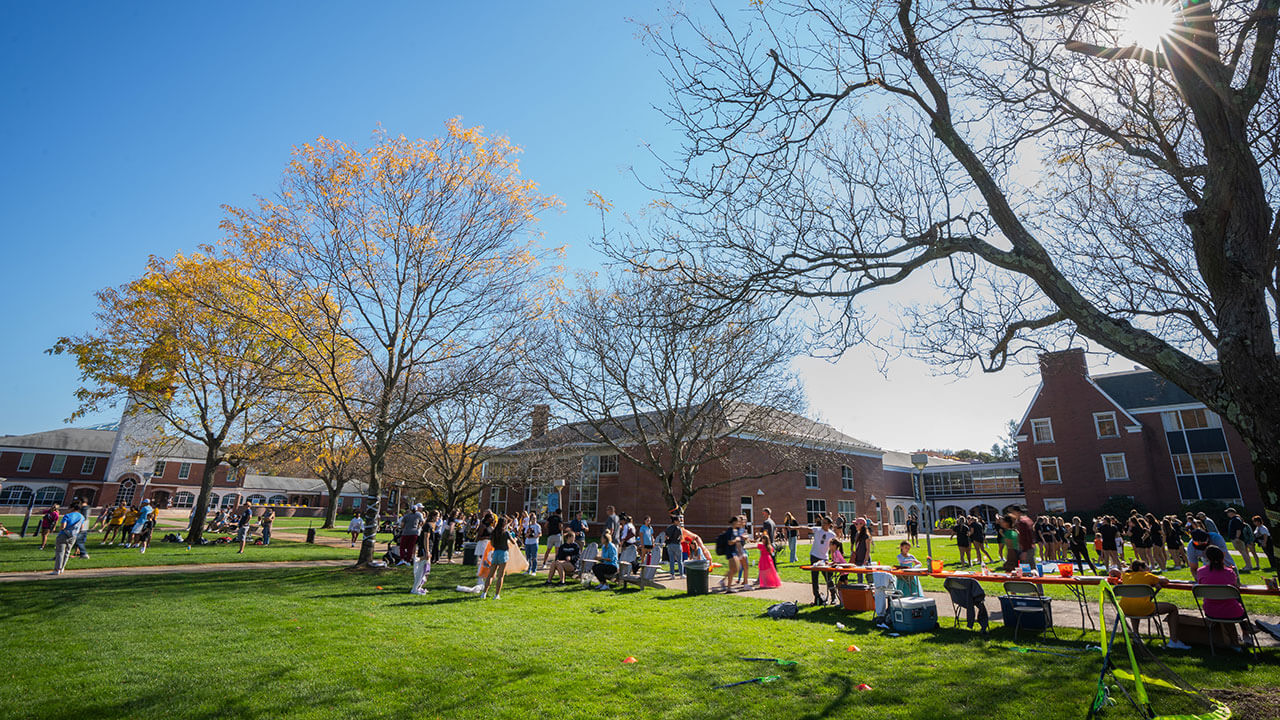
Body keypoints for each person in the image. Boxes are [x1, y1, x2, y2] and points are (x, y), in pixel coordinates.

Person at [1118, 560, 1191, 650]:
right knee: (1173, 608)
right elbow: (1165, 580)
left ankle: (1136, 635)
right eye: (1147, 567)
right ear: (1141, 568)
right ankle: (1174, 640)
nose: (1149, 569)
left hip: (1124, 609)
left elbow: (1124, 572)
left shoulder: (1125, 576)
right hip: (1142, 608)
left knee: (1135, 604)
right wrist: (1155, 578)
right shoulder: (1147, 576)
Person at [1194, 545, 1253, 638]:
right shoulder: (1229, 572)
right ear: (1222, 557)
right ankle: (1246, 631)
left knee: (1232, 600)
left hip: (1211, 611)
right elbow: (1236, 588)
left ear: (1207, 558)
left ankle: (1241, 634)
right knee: (1236, 599)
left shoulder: (1201, 571)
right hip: (1233, 612)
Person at [481, 516, 515, 600]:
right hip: (503, 553)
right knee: (501, 576)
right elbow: (513, 542)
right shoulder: (506, 532)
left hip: (495, 552)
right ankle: (496, 595)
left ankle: (484, 593)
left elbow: (492, 543)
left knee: (490, 575)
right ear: (504, 524)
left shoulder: (494, 532)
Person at [808, 516, 838, 605]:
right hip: (814, 556)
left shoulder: (832, 535)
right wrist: (793, 528)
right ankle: (817, 598)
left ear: (829, 525)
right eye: (822, 522)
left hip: (824, 558)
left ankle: (834, 597)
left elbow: (834, 548)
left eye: (825, 523)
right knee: (814, 578)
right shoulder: (817, 530)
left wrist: (833, 559)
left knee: (828, 578)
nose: (822, 524)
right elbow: (806, 528)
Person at [52, 501, 86, 575]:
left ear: (72, 508)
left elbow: (62, 527)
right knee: (67, 552)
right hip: (73, 536)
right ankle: (62, 568)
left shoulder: (67, 516)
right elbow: (82, 528)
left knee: (60, 552)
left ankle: (57, 569)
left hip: (63, 535)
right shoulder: (82, 517)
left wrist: (62, 529)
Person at [1225, 508, 1259, 573]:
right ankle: (1248, 565)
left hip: (1238, 539)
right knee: (1243, 552)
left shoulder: (1236, 519)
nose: (1227, 514)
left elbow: (1238, 529)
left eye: (1228, 512)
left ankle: (1248, 566)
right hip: (1236, 538)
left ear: (1232, 512)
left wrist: (1237, 537)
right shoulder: (1235, 519)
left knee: (1243, 552)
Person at [717, 517, 744, 590]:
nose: (739, 523)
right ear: (734, 522)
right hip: (730, 552)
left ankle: (723, 581)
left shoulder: (736, 530)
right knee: (733, 569)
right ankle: (728, 587)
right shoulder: (730, 531)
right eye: (738, 522)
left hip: (734, 552)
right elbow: (729, 542)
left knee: (736, 569)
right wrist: (737, 539)